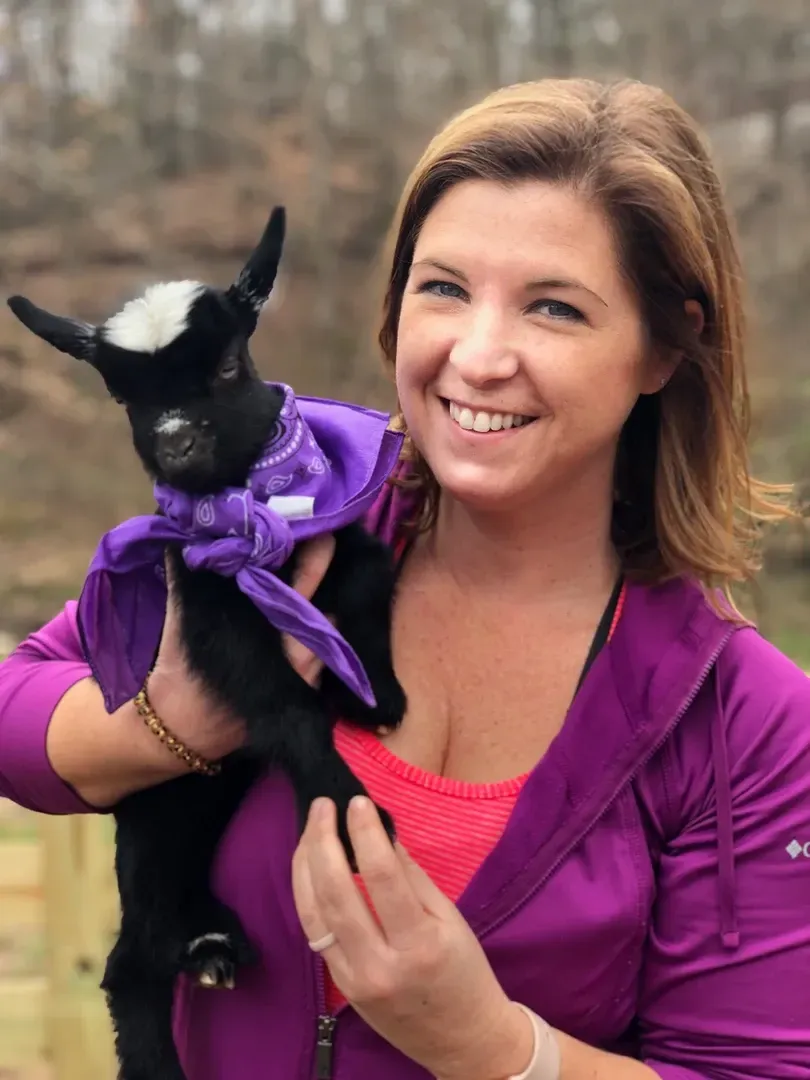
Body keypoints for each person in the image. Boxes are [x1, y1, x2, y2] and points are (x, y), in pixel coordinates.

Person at [1, 75, 809, 1080]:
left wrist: (497, 1048)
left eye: (554, 307)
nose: (477, 356)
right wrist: (167, 724)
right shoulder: (283, 531)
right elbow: (15, 717)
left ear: (662, 347)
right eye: (444, 288)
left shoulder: (747, 724)